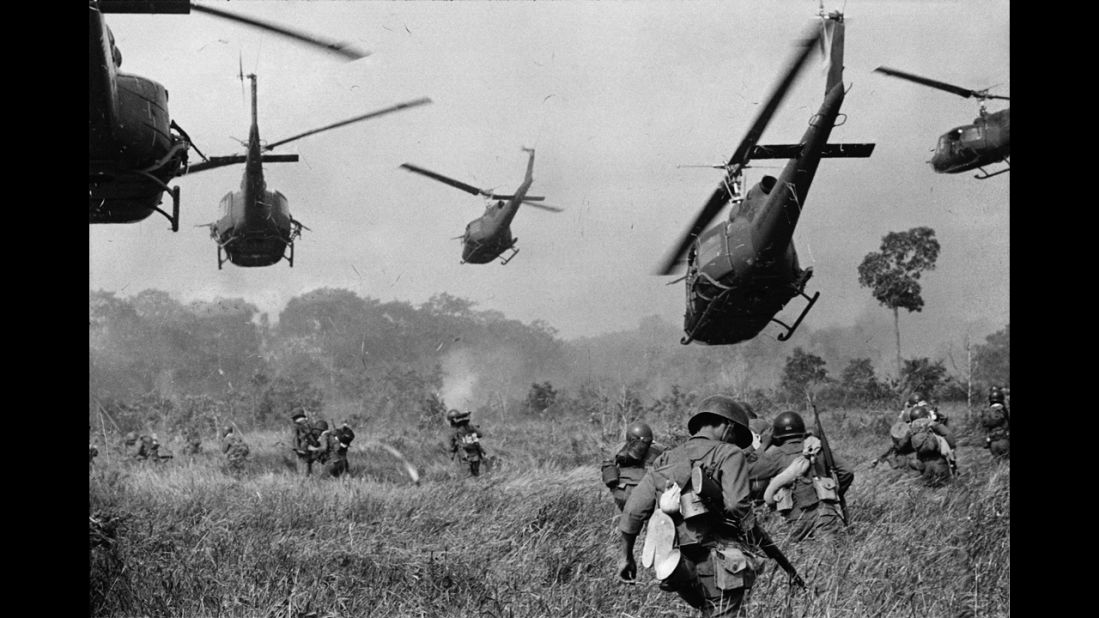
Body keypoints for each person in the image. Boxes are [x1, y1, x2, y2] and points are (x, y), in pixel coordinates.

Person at [617, 395, 766, 617]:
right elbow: (736, 505)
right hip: (721, 559)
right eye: (735, 435)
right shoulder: (729, 453)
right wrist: (750, 535)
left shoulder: (665, 459)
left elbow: (633, 511)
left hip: (679, 565)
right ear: (728, 427)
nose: (734, 442)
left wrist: (625, 556)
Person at [749, 411, 853, 543]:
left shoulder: (775, 454)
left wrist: (764, 445)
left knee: (798, 557)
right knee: (833, 555)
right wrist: (834, 493)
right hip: (825, 512)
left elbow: (748, 471)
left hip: (795, 517)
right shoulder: (816, 447)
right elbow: (847, 471)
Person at [602, 421, 664, 510]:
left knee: (624, 519)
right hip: (647, 491)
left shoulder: (618, 448)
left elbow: (608, 471)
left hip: (622, 492)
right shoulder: (657, 449)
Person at [907, 405, 957, 485]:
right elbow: (948, 434)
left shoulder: (911, 430)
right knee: (946, 486)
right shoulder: (932, 424)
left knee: (930, 487)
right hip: (939, 460)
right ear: (925, 415)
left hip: (924, 463)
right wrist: (952, 447)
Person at [447, 409, 486, 476]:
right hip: (475, 453)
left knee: (468, 475)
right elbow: (480, 434)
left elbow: (452, 446)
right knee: (476, 473)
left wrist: (452, 455)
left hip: (464, 455)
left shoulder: (454, 431)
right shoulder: (471, 426)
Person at [981, 387, 1010, 459]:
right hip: (1004, 441)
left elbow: (984, 425)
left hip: (992, 443)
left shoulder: (987, 411)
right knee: (1006, 463)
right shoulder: (1003, 410)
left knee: (998, 464)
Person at [291, 410, 319, 475]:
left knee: (302, 467)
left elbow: (295, 438)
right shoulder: (308, 424)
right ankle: (310, 479)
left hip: (302, 448)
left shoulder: (296, 425)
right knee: (309, 465)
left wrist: (297, 449)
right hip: (310, 448)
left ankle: (304, 480)